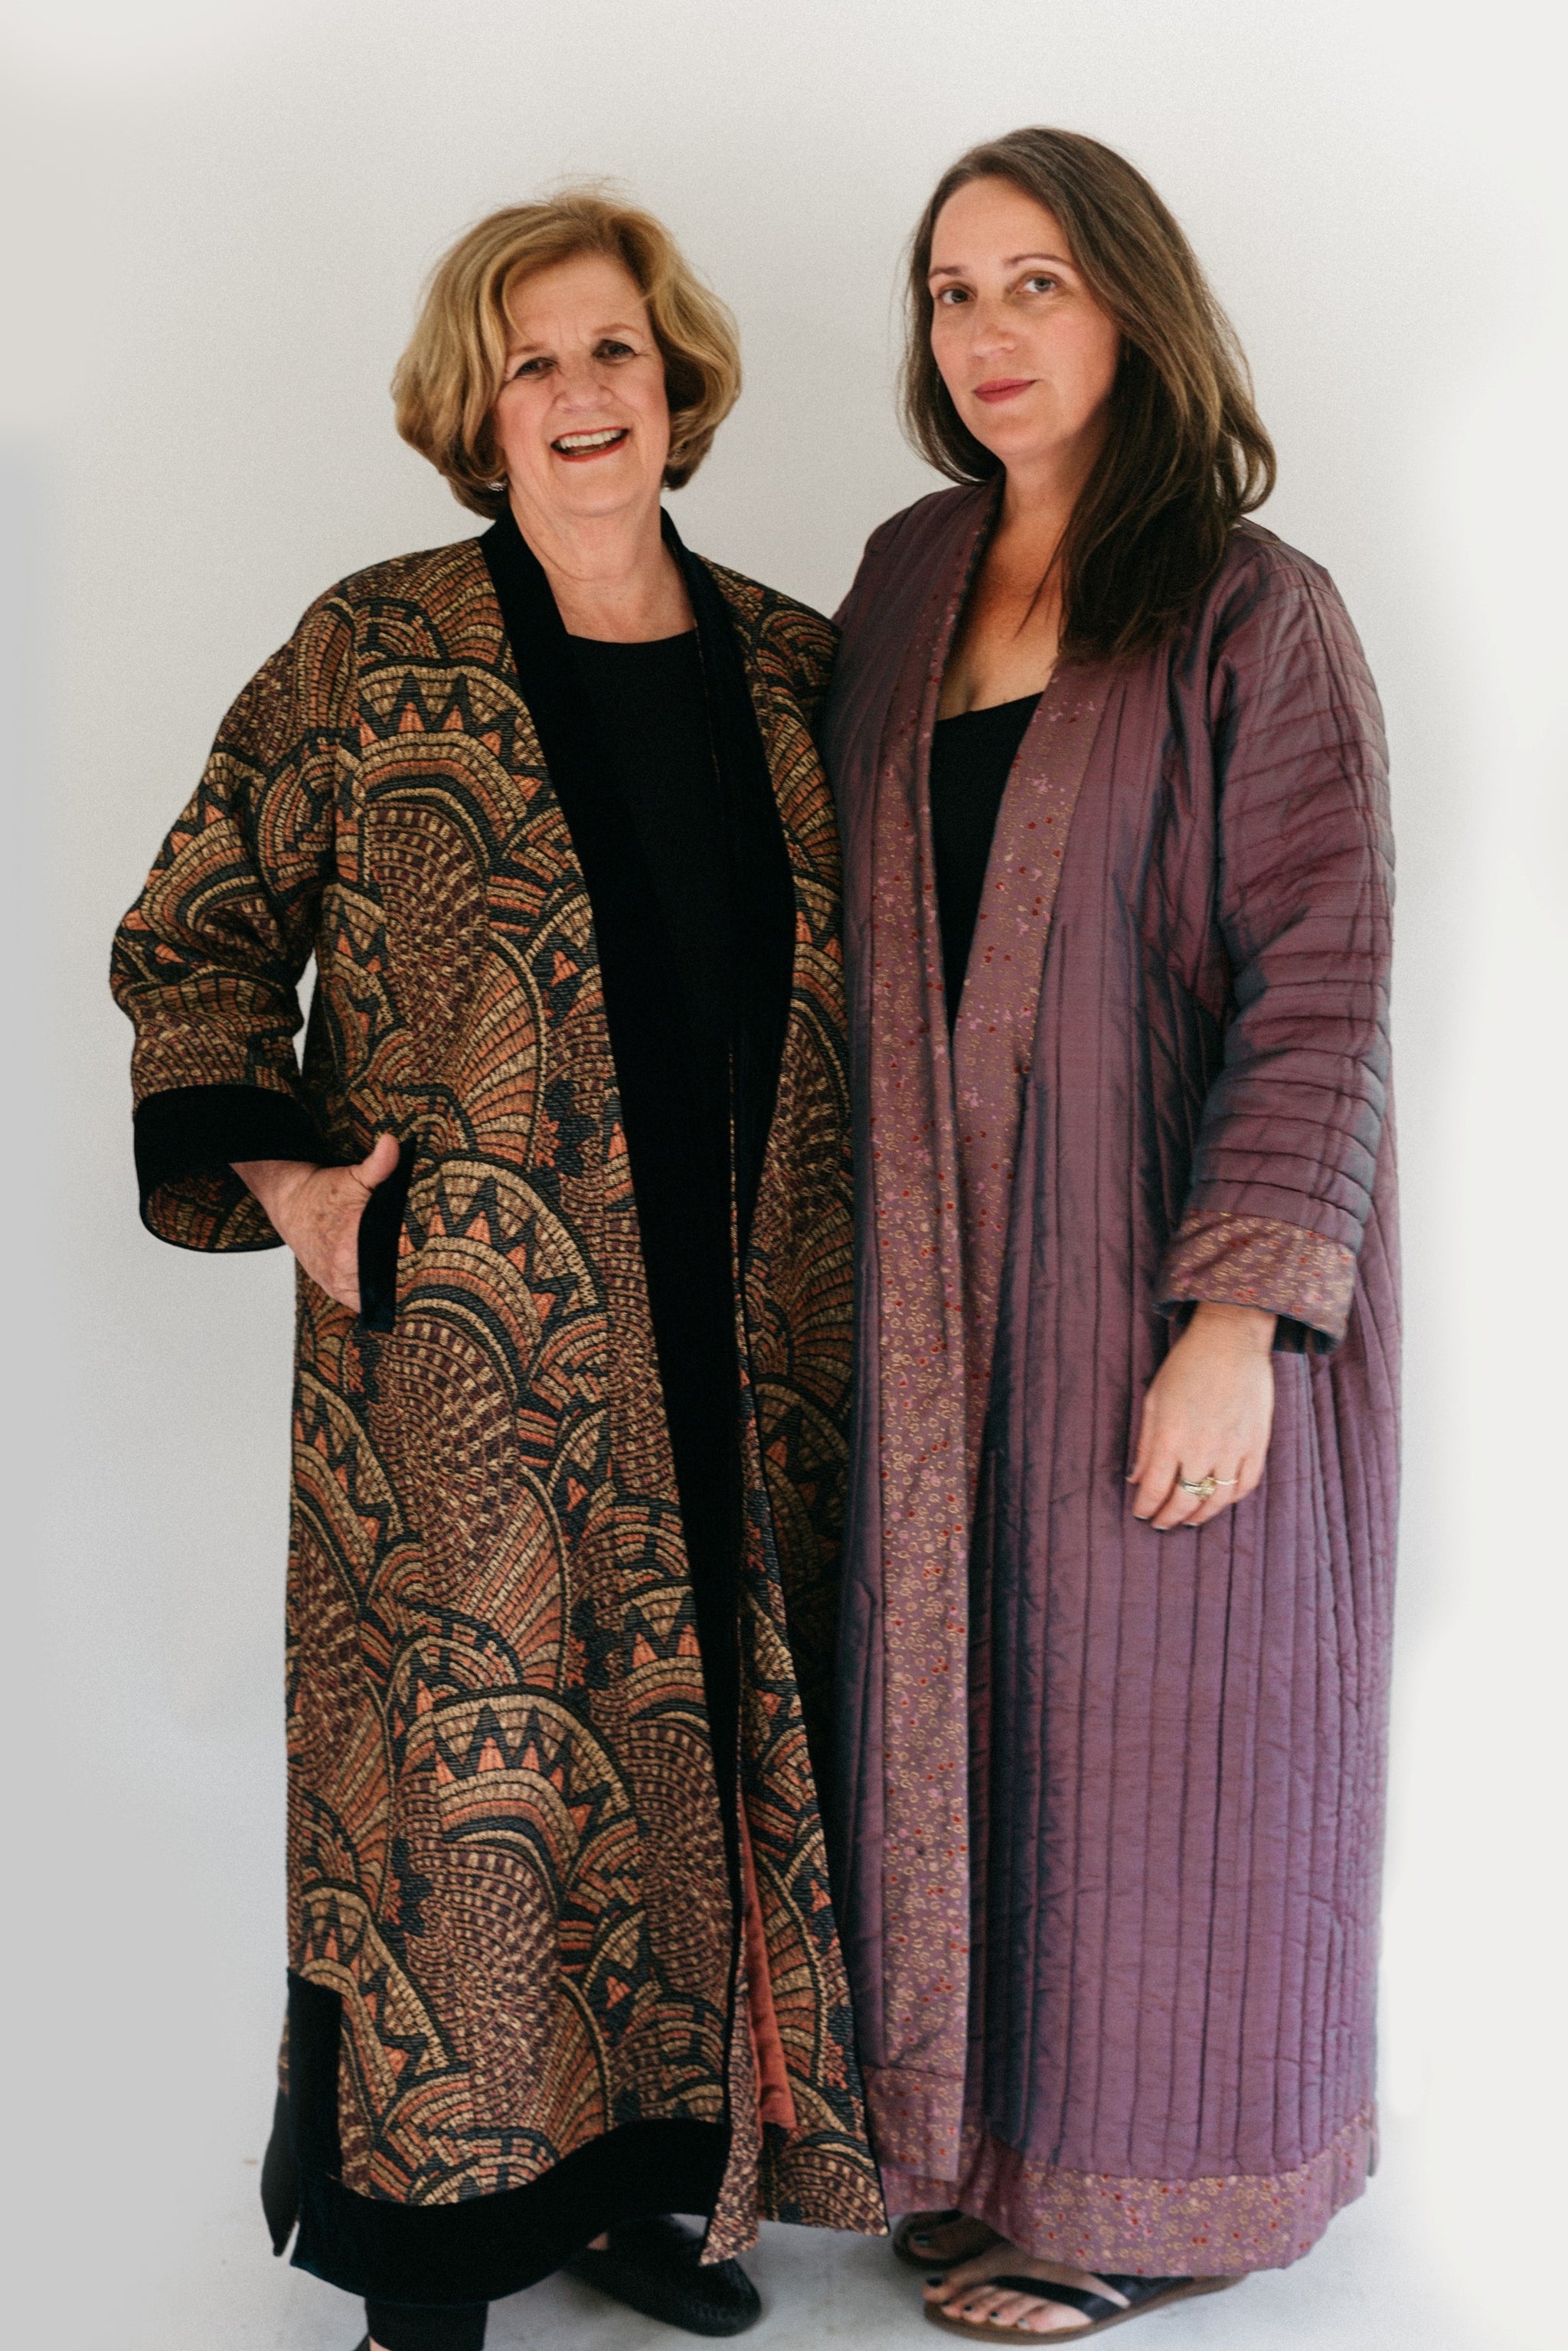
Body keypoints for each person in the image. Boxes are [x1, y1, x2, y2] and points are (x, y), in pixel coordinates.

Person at [111, 190, 884, 2351]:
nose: (576, 395)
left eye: (612, 353)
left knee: (683, 1772)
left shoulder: (798, 664)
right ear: (477, 407)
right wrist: (276, 1165)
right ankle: (423, 2254)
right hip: (468, 1358)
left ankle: (641, 2186)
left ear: (679, 384)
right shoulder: (373, 651)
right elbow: (193, 935)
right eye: (530, 361)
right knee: (457, 1812)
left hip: (749, 1342)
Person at [825, 129, 1397, 2340]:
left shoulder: (1254, 603)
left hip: (1145, 1273)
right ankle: (973, 2159)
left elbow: (1323, 970)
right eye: (954, 292)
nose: (985, 333)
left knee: (1161, 1720)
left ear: (1135, 305)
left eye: (1034, 282)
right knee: (963, 1720)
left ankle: (1147, 2210)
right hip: (924, 1289)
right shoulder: (899, 579)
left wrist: (1236, 1318)